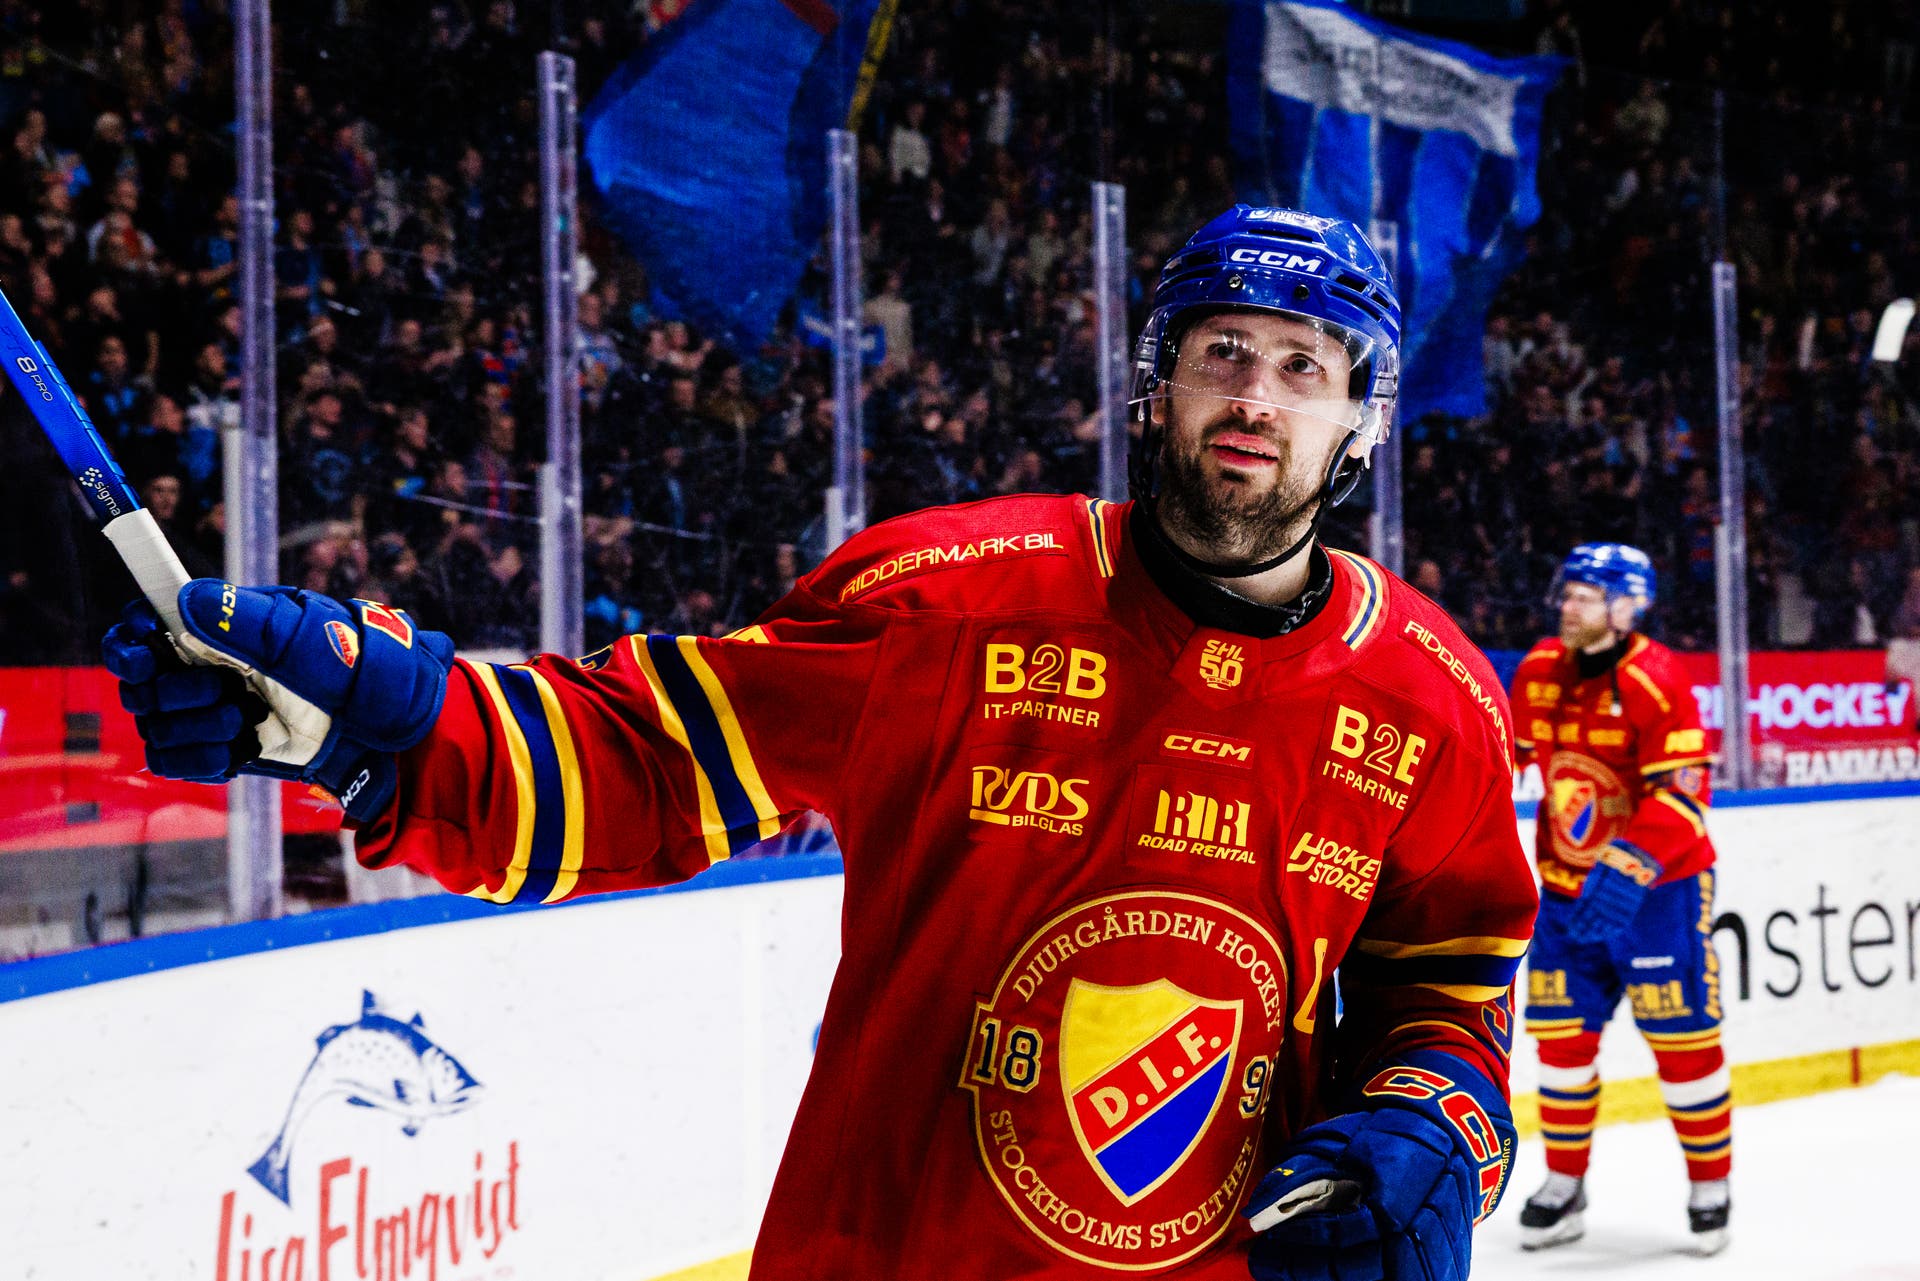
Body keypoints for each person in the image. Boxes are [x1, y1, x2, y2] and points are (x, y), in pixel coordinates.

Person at [101, 206, 1535, 1280]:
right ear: (1159, 382)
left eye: (1304, 367)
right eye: (1225, 351)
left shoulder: (1431, 704)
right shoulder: (951, 601)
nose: (1258, 398)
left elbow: (1450, 990)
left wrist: (1432, 1124)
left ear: (1361, 423)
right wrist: (390, 733)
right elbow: (644, 763)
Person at [1509, 544, 1730, 1254]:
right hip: (1566, 895)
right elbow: (1505, 758)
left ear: (1627, 606)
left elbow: (1687, 795)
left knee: (1683, 1042)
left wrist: (1631, 861)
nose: (1567, 605)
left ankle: (1710, 1187)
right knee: (1561, 1045)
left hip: (1660, 893)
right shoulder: (1539, 670)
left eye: (1585, 595)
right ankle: (1564, 1185)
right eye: (1567, 591)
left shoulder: (1656, 679)